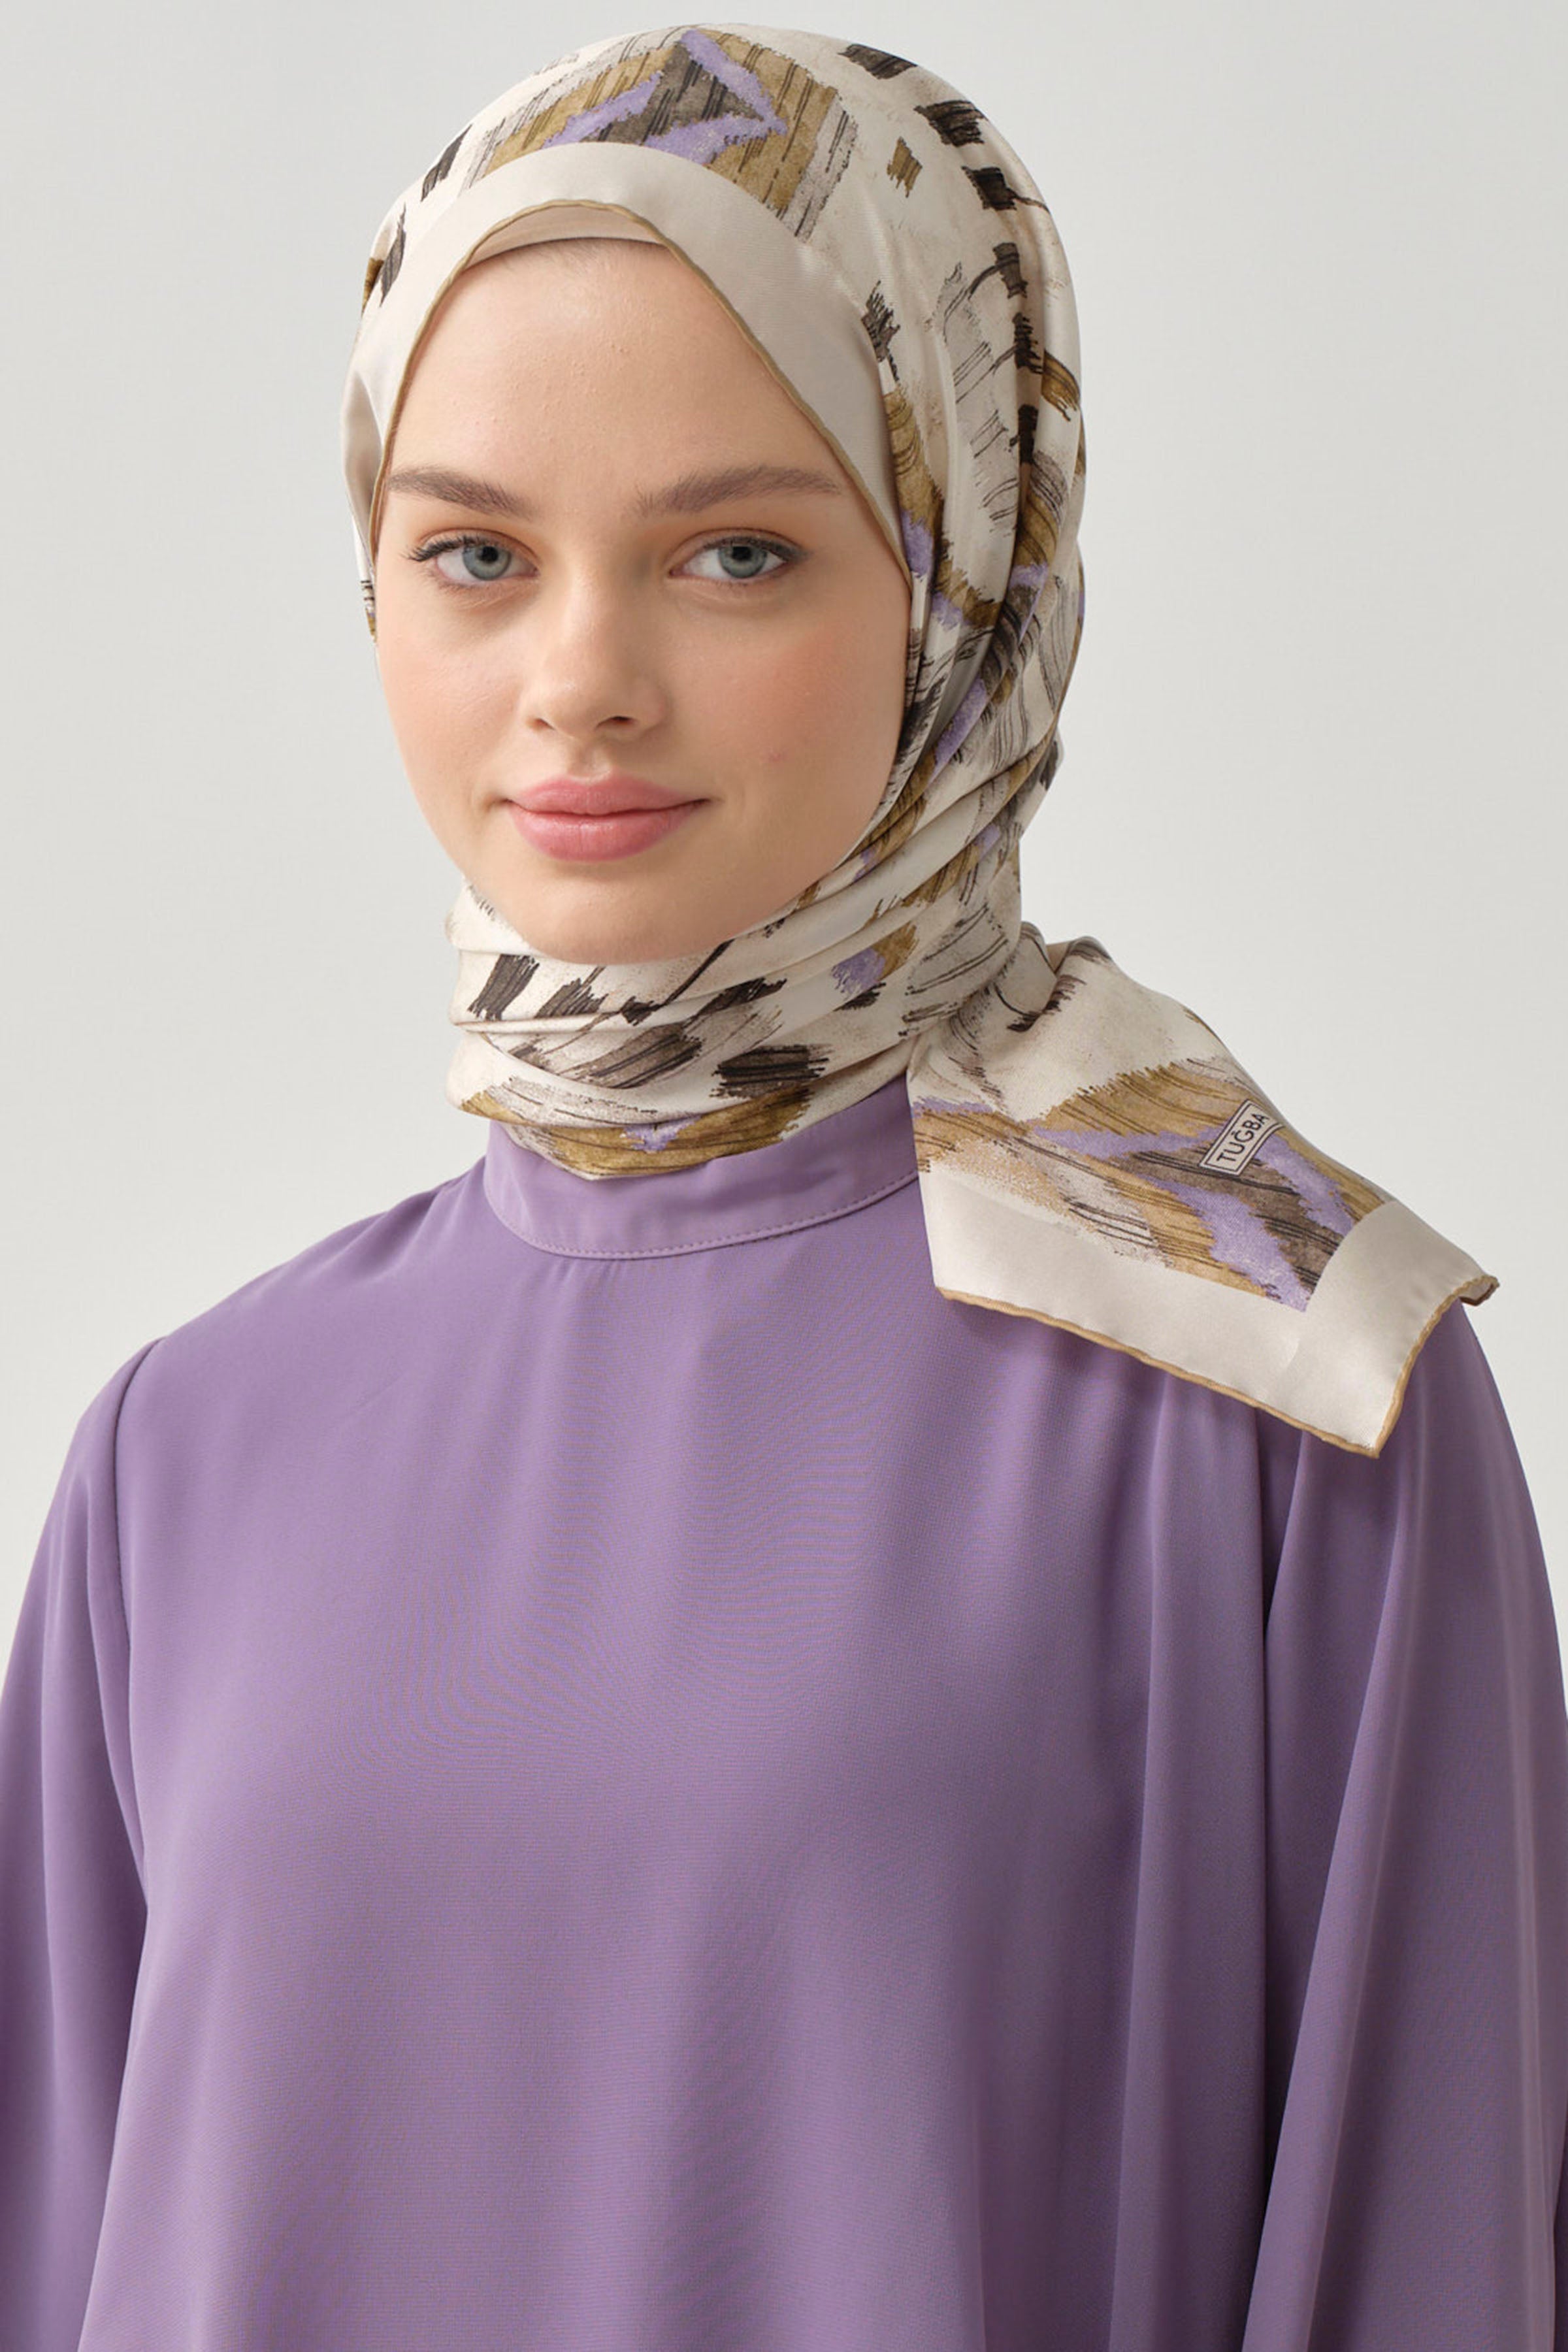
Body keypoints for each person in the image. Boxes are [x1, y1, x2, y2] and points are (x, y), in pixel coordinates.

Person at [2, 22, 1564, 2349]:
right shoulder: (178, 1457)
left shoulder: (1278, 1394)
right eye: (474, 555)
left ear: (963, 577)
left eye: (737, 553)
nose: (581, 681)